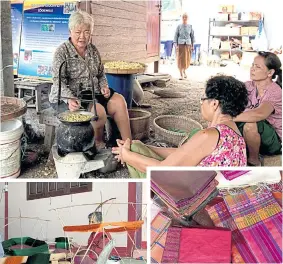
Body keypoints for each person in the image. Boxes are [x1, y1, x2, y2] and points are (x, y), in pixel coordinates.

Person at [112, 76, 249, 177]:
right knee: (136, 147)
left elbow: (162, 170)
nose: (201, 103)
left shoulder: (209, 136)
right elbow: (182, 153)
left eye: (203, 99)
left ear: (214, 104)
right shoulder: (235, 133)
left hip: (195, 197)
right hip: (210, 189)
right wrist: (144, 146)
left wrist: (127, 155)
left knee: (134, 153)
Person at [49, 10, 131, 149]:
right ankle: (97, 145)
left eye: (86, 32)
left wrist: (104, 86)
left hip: (94, 92)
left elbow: (100, 74)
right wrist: (69, 98)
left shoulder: (93, 50)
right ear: (70, 32)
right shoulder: (62, 52)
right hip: (72, 97)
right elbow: (58, 81)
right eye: (78, 32)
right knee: (97, 113)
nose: (82, 36)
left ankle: (129, 145)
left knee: (119, 101)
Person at [234, 52, 282, 166]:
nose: (252, 69)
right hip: (252, 136)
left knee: (251, 123)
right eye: (252, 65)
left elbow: (259, 114)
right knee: (222, 119)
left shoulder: (275, 91)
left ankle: (254, 161)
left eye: (258, 67)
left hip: (272, 141)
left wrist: (229, 117)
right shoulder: (248, 86)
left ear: (270, 72)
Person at [174, 12, 195, 80]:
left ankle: (184, 71)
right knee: (180, 59)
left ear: (187, 18)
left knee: (186, 59)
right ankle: (181, 74)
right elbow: (176, 35)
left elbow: (192, 36)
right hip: (180, 45)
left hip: (188, 45)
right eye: (183, 17)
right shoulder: (179, 26)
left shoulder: (190, 26)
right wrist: (175, 44)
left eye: (186, 17)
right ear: (182, 18)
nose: (184, 18)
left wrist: (192, 45)